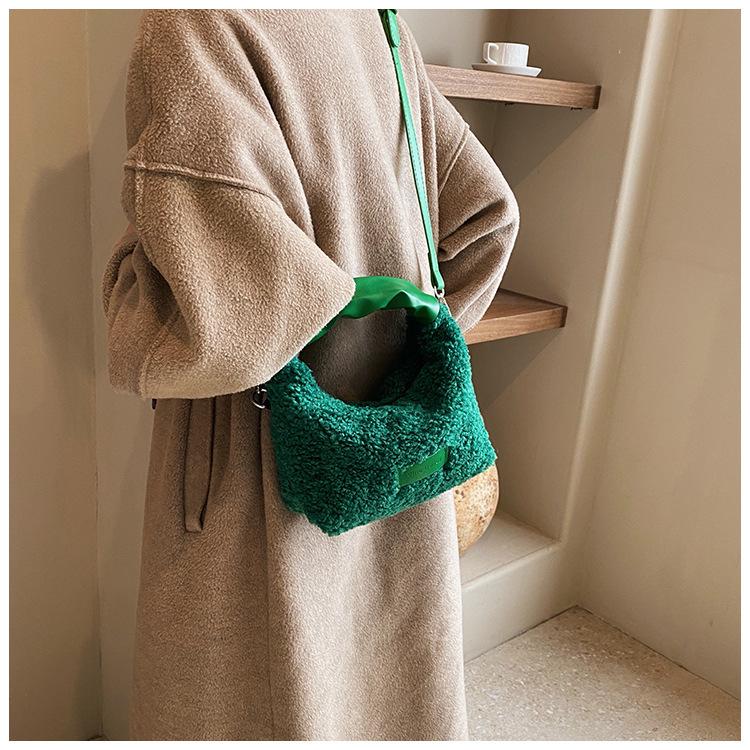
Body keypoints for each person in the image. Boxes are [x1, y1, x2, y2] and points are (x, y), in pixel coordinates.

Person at [102, 9, 519, 741]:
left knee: (247, 699)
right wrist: (406, 341)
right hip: (394, 452)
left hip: (252, 461)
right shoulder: (375, 19)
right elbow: (488, 217)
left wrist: (128, 291)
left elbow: (206, 324)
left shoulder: (197, 23)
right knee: (385, 680)